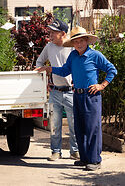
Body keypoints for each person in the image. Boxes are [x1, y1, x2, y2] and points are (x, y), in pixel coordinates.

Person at [36, 26, 117, 170]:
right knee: (80, 128)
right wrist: (50, 69)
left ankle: (95, 160)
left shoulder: (95, 55)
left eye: (81, 41)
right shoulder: (73, 56)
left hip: (91, 96)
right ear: (73, 43)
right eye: (76, 42)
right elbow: (65, 70)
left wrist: (102, 85)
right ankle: (85, 159)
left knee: (92, 128)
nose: (79, 44)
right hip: (77, 95)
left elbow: (112, 70)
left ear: (87, 40)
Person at [36, 19, 79, 161]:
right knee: (54, 125)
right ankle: (56, 151)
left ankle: (75, 151)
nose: (50, 34)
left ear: (62, 33)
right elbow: (39, 63)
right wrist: (45, 80)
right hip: (54, 92)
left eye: (53, 32)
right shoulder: (49, 47)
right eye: (50, 31)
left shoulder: (73, 47)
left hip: (71, 92)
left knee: (74, 124)